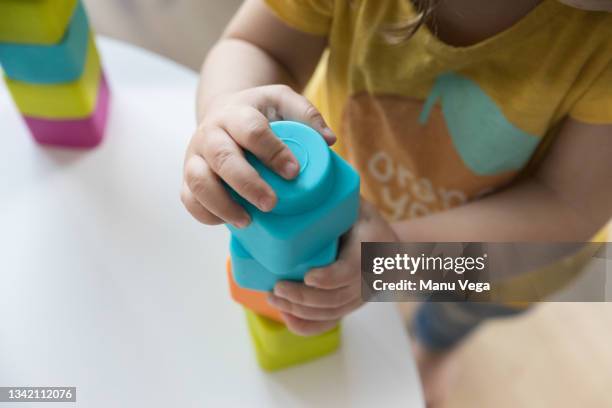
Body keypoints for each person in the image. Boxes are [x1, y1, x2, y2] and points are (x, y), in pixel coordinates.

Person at [180, 0, 612, 403]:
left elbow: (567, 207)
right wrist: (227, 110)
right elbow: (259, 45)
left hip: (491, 256)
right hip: (344, 208)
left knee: (453, 317)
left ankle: (432, 352)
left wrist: (396, 260)